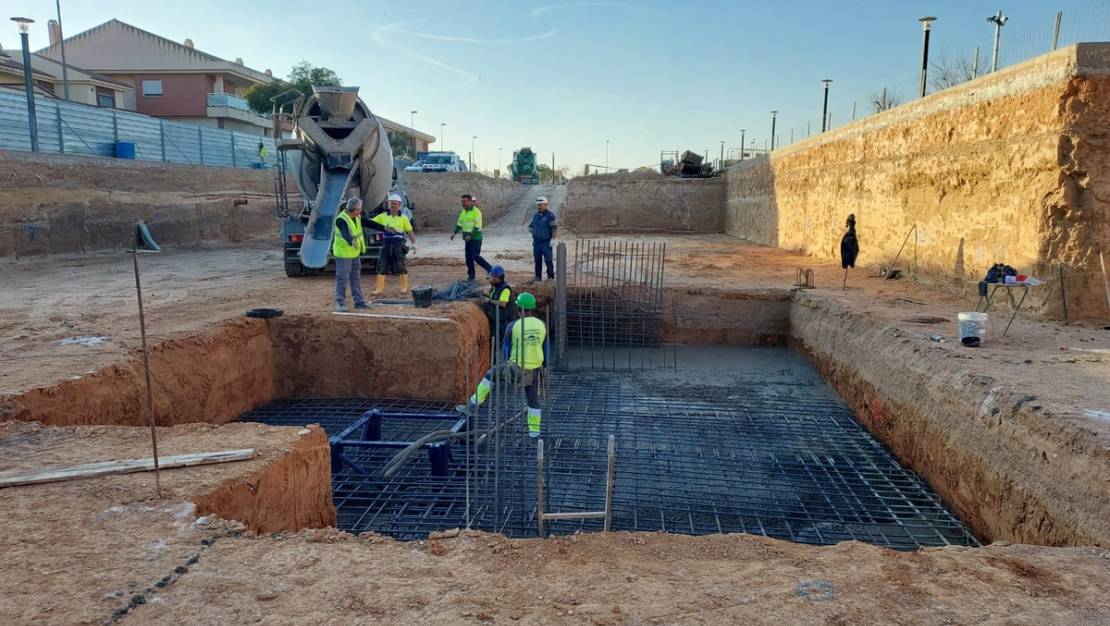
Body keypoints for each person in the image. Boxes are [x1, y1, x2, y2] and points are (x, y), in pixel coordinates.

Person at [459, 292, 547, 439]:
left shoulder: (513, 326)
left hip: (517, 367)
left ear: (518, 309)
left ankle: (473, 405)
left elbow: (506, 349)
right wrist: (544, 366)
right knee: (533, 402)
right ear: (533, 308)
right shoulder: (542, 325)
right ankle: (534, 433)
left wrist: (508, 368)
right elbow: (545, 348)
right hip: (535, 370)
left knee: (491, 374)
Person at [333, 197, 386, 312]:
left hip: (354, 254)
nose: (361, 211)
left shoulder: (357, 217)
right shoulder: (341, 219)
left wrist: (384, 228)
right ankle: (340, 303)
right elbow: (345, 232)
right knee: (343, 279)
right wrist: (351, 241)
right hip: (343, 255)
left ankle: (359, 302)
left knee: (355, 278)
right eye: (359, 209)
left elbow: (369, 223)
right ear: (353, 210)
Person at [370, 193, 416, 295]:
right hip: (386, 244)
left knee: (401, 265)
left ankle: (404, 288)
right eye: (391, 203)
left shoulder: (403, 218)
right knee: (382, 264)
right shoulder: (382, 216)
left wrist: (414, 244)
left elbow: (410, 232)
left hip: (398, 245)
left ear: (399, 205)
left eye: (395, 204)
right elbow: (371, 223)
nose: (392, 205)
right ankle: (379, 289)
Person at [450, 193, 492, 281]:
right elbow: (460, 223)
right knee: (468, 258)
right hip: (467, 239)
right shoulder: (463, 212)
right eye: (462, 202)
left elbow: (478, 225)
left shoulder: (476, 212)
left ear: (470, 201)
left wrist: (470, 235)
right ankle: (471, 276)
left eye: (464, 201)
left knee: (475, 256)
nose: (463, 203)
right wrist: (454, 232)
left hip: (476, 238)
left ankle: (490, 269)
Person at [483, 265, 515, 344]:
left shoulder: (505, 289)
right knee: (495, 341)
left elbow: (502, 303)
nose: (492, 279)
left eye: (494, 277)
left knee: (502, 342)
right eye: (491, 277)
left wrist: (489, 300)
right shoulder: (494, 287)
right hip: (496, 319)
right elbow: (491, 297)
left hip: (504, 322)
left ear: (499, 277)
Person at [529, 195, 557, 282]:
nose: (539, 206)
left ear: (546, 204)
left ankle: (550, 277)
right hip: (536, 242)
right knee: (537, 260)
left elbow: (554, 228)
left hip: (546, 242)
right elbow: (531, 225)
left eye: (541, 204)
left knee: (548, 260)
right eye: (538, 205)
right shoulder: (536, 216)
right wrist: (532, 231)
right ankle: (538, 277)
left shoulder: (550, 216)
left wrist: (553, 239)